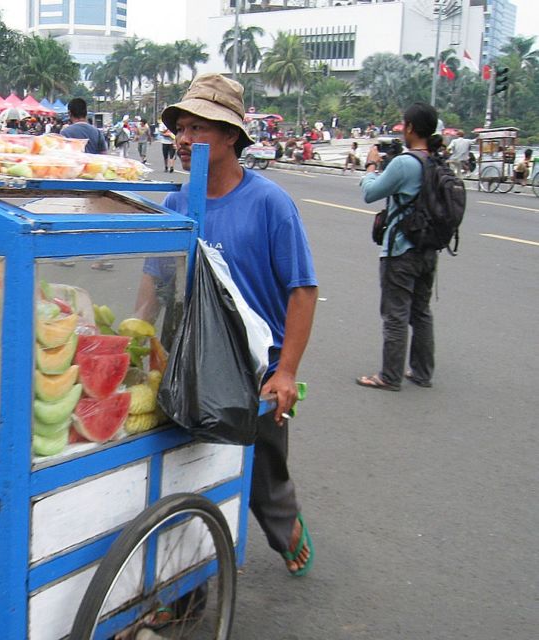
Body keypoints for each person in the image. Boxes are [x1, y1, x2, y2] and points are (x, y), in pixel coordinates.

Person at [154, 73, 319, 576]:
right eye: (181, 128)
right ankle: (183, 583)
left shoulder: (270, 203)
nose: (184, 139)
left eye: (199, 128)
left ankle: (286, 528)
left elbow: (303, 290)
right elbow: (153, 281)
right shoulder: (175, 205)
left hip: (255, 372)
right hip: (189, 367)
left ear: (231, 137)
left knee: (263, 483)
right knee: (182, 475)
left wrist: (286, 372)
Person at [357, 102, 442, 391]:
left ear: (411, 128)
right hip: (428, 249)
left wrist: (370, 166)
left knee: (395, 313)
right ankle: (422, 372)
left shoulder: (405, 163)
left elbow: (371, 192)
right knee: (421, 311)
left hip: (401, 250)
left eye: (404, 125)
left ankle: (389, 376)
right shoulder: (435, 160)